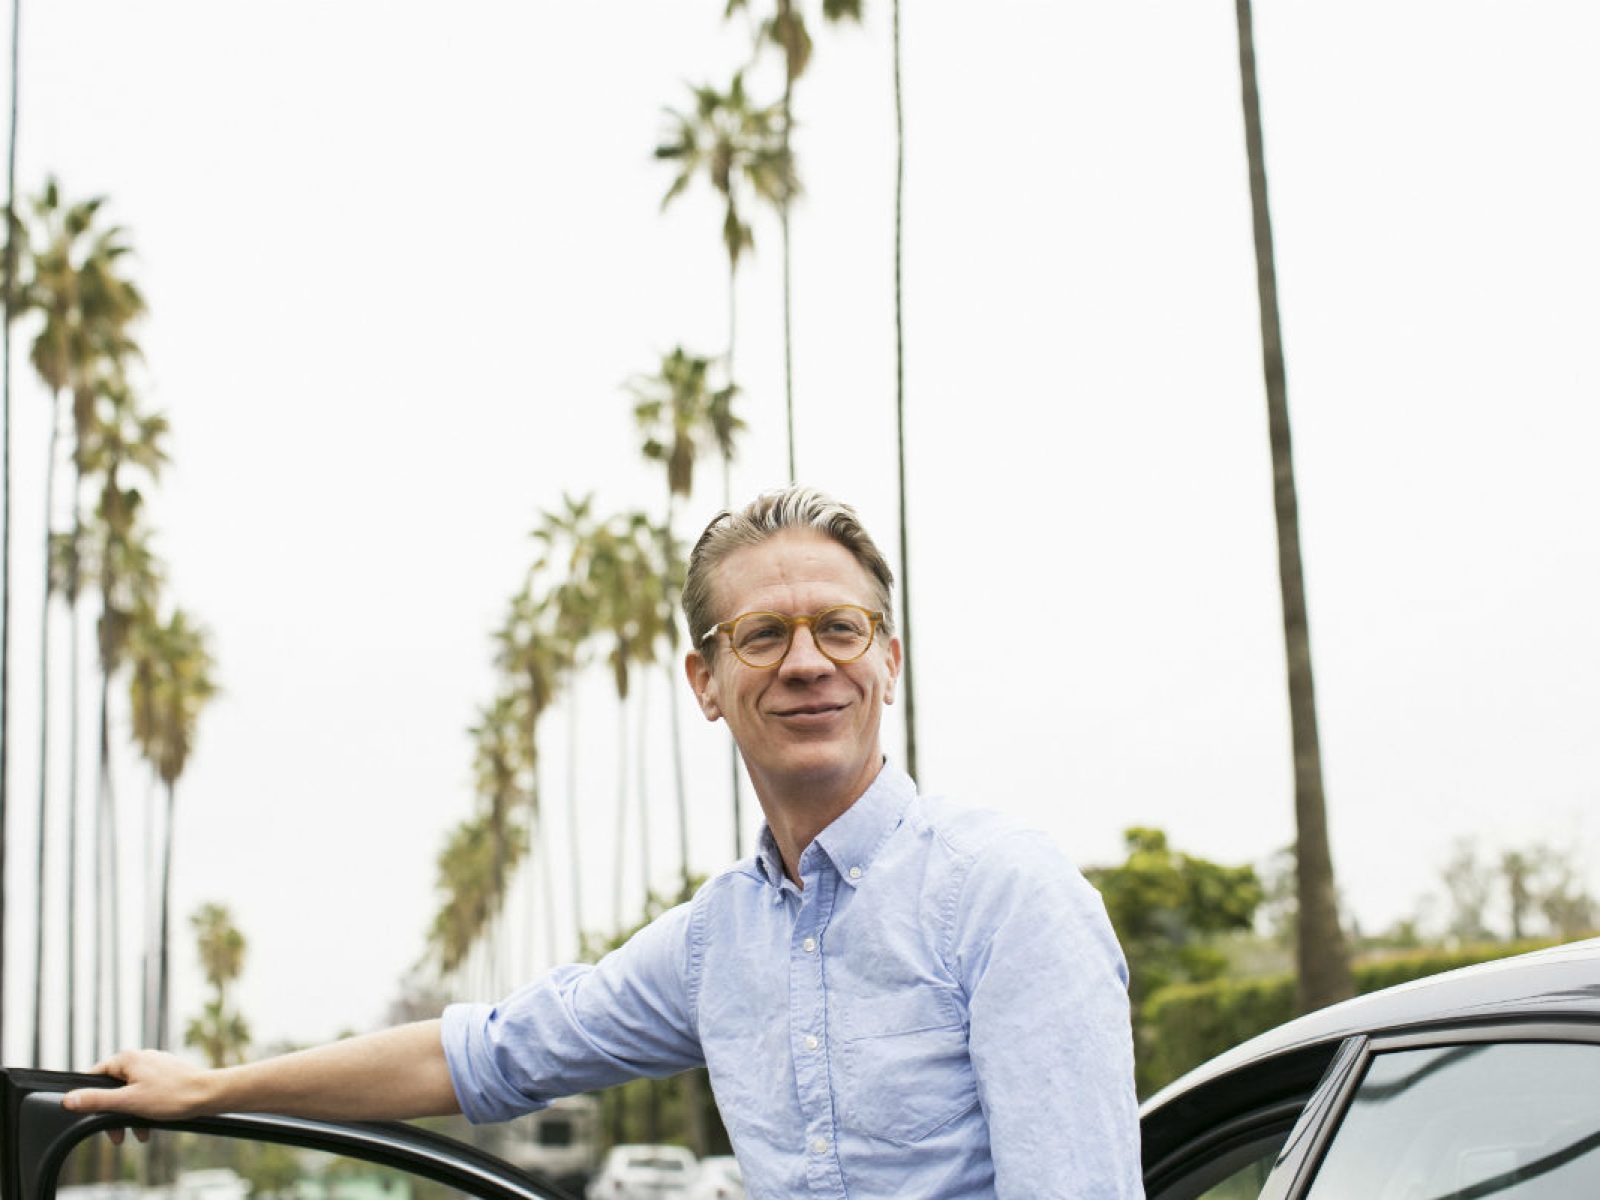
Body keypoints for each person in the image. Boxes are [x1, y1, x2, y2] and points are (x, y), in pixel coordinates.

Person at [67, 487, 1143, 1199]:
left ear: (887, 662)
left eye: (840, 627)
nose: (807, 661)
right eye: (762, 634)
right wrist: (208, 1091)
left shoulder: (1007, 896)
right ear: (706, 683)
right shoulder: (718, 942)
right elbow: (485, 1054)